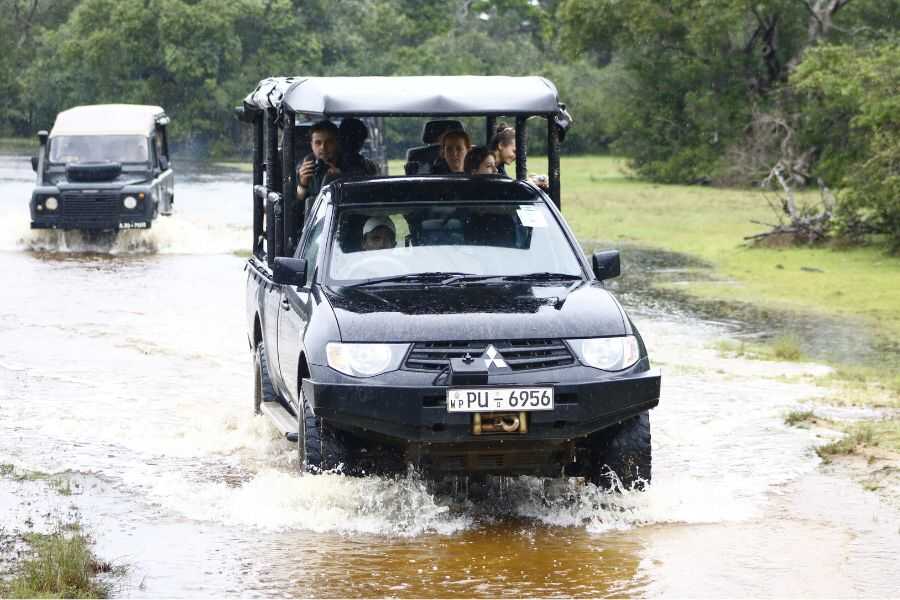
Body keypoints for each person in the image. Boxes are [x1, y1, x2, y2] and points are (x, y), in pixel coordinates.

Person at [489, 122, 549, 190]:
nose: (517, 156)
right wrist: (528, 183)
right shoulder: (486, 164)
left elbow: (506, 185)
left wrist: (530, 181)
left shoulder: (499, 166)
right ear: (501, 145)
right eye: (514, 151)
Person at [296, 120, 341, 202]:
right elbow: (293, 206)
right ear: (311, 145)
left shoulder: (350, 164)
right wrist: (303, 184)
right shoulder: (303, 168)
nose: (323, 147)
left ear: (336, 143)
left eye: (329, 142)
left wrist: (342, 178)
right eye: (318, 143)